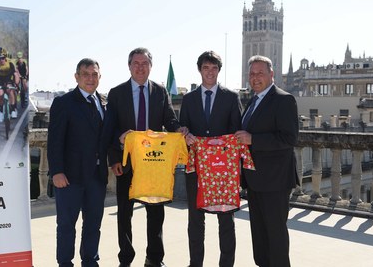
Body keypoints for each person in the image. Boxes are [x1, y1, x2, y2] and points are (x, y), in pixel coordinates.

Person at [105, 47, 187, 267]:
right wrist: (114, 159)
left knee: (156, 213)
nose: (140, 67)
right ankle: (126, 258)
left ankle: (154, 258)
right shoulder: (116, 93)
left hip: (154, 164)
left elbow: (169, 121)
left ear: (151, 66)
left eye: (145, 63)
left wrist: (180, 130)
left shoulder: (160, 92)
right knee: (125, 213)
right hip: (126, 163)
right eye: (136, 63)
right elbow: (109, 129)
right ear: (129, 66)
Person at [234, 55, 299, 267]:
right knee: (259, 235)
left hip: (275, 181)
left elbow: (289, 138)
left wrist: (253, 139)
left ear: (272, 74)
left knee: (275, 235)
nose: (255, 78)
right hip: (254, 180)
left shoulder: (283, 99)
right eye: (252, 74)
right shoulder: (253, 101)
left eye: (260, 73)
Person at [180, 51, 242, 267]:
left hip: (222, 171)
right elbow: (183, 129)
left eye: (214, 68)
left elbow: (237, 132)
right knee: (195, 220)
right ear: (200, 70)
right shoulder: (188, 99)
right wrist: (184, 134)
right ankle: (195, 263)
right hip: (196, 168)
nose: (210, 72)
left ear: (219, 70)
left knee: (226, 220)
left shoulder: (231, 97)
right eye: (206, 68)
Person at [47, 58, 108, 267]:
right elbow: (54, 141)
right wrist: (56, 171)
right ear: (77, 77)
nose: (90, 78)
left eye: (94, 74)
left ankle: (90, 261)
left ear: (100, 77)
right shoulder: (64, 103)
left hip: (96, 177)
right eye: (85, 74)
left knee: (93, 224)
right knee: (66, 225)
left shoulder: (103, 102)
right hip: (69, 177)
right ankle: (65, 263)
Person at [0, 47, 20, 122]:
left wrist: (17, 85)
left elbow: (16, 74)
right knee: (0, 94)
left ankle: (13, 110)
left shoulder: (10, 62)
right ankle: (1, 112)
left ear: (5, 57)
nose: (1, 60)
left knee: (10, 90)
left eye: (3, 58)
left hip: (8, 78)